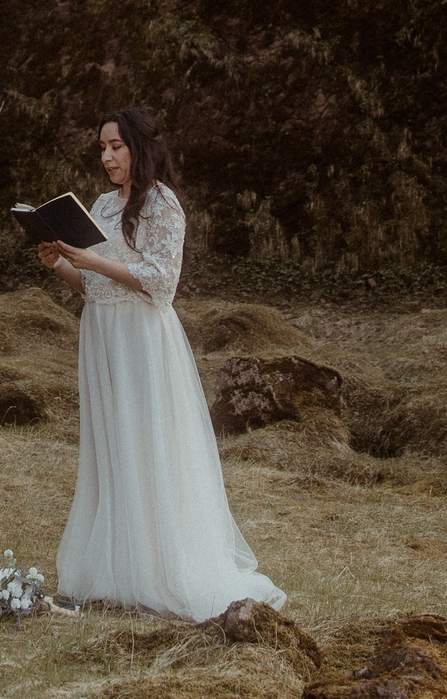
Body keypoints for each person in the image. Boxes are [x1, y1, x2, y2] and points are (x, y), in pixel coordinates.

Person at [38, 106, 283, 619]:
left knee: (148, 443)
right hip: (102, 334)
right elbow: (93, 286)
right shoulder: (102, 206)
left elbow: (161, 282)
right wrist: (60, 262)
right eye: (102, 149)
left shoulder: (162, 203)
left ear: (139, 148)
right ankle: (115, 563)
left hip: (142, 338)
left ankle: (159, 563)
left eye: (116, 147)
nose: (107, 157)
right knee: (112, 443)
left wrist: (96, 259)